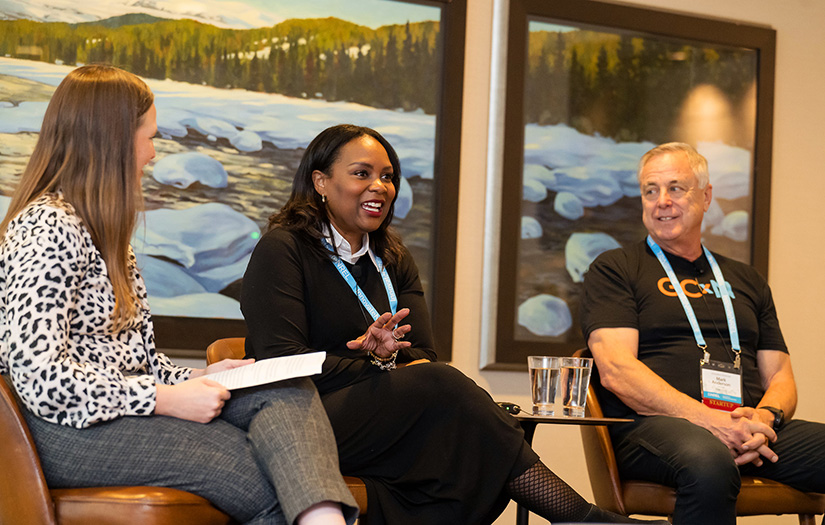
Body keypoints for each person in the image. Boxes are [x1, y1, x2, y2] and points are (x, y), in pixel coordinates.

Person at [241, 124, 669, 525]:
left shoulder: (392, 256)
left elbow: (423, 354)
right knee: (450, 395)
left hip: (386, 418)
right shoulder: (284, 249)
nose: (380, 187)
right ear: (320, 182)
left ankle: (582, 519)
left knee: (465, 434)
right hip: (301, 417)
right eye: (361, 173)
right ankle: (580, 517)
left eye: (388, 176)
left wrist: (386, 357)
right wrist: (374, 362)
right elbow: (282, 363)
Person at [0, 64, 359, 525]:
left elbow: (133, 362)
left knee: (283, 387)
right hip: (57, 429)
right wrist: (164, 398)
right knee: (260, 475)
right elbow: (41, 379)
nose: (152, 153)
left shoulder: (106, 232)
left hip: (113, 410)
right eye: (147, 137)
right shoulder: (47, 227)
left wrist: (197, 375)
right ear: (110, 140)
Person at [580, 142, 825, 524]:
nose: (661, 201)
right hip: (651, 430)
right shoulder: (616, 269)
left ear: (707, 196)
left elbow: (780, 375)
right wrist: (709, 420)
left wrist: (763, 419)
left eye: (675, 188)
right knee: (708, 458)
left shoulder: (746, 279)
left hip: (745, 427)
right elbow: (616, 370)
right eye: (650, 190)